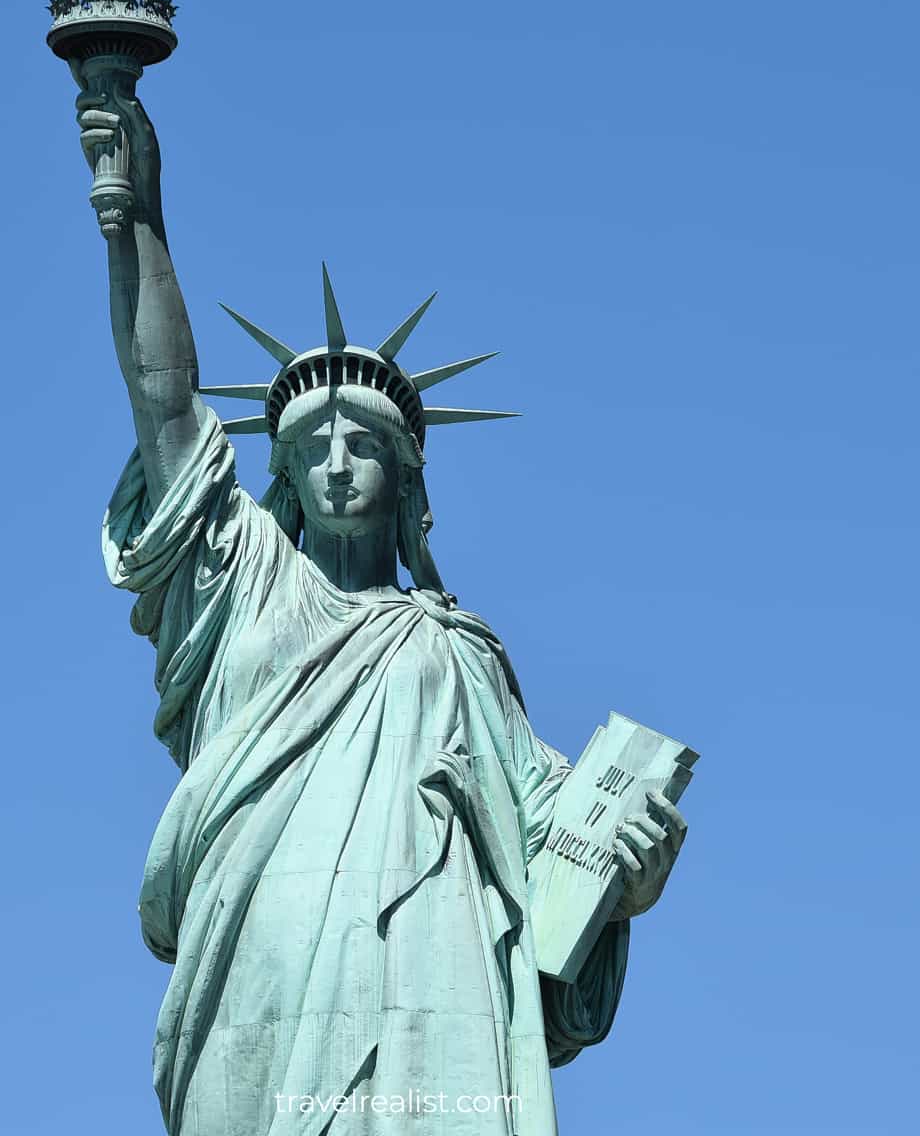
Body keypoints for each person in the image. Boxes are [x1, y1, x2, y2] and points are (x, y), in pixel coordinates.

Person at [76, 64, 686, 1135]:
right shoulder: (242, 590)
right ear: (285, 477)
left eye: (367, 444)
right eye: (314, 445)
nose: (340, 462)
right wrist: (138, 219)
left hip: (431, 981)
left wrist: (628, 867)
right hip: (260, 958)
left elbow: (549, 851)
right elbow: (165, 407)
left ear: (409, 480)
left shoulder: (454, 655)